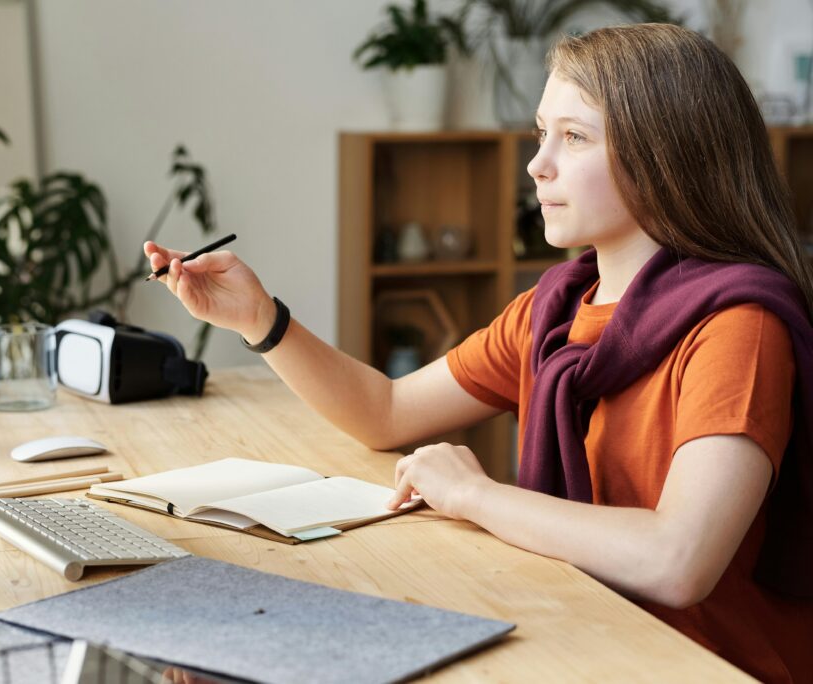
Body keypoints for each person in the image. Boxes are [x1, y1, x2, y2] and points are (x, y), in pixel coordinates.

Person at [144, 23, 813, 683]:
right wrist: (260, 320)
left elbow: (678, 560)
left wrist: (475, 495)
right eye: (541, 132)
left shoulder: (738, 329)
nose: (537, 163)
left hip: (700, 666)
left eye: (573, 137)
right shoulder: (555, 310)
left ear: (668, 156)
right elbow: (387, 411)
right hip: (583, 634)